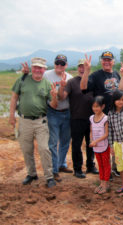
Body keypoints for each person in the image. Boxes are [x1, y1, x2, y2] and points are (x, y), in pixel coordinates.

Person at [9, 57, 58, 188]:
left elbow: (53, 105)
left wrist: (54, 97)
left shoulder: (47, 84)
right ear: (32, 68)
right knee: (26, 149)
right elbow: (14, 98)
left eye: (40, 68)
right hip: (24, 120)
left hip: (40, 121)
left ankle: (49, 176)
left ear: (44, 69)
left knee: (44, 148)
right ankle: (31, 174)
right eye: (35, 67)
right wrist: (11, 116)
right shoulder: (23, 80)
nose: (37, 70)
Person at [80, 52, 123, 177]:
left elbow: (121, 92)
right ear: (101, 61)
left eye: (109, 60)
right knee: (103, 142)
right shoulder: (95, 75)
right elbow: (83, 88)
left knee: (115, 142)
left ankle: (115, 168)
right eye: (104, 60)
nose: (107, 62)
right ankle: (106, 169)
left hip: (115, 114)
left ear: (113, 61)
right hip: (101, 116)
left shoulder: (116, 74)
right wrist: (86, 71)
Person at [58, 59, 98, 178]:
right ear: (77, 68)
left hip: (92, 119)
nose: (82, 69)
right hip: (76, 118)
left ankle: (90, 166)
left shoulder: (92, 81)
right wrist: (61, 87)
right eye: (80, 66)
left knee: (91, 144)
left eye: (84, 67)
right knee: (76, 145)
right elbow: (62, 97)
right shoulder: (71, 82)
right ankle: (78, 169)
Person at [44, 54, 73, 182]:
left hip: (67, 112)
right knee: (53, 142)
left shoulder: (70, 78)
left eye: (62, 64)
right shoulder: (46, 75)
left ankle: (62, 164)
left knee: (65, 141)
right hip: (52, 112)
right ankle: (54, 170)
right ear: (54, 64)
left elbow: (67, 97)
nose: (59, 66)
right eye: (57, 63)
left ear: (66, 65)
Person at [89, 96, 110, 194]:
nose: (95, 108)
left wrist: (96, 141)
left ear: (103, 106)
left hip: (104, 146)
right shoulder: (91, 118)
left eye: (97, 106)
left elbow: (106, 134)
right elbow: (91, 131)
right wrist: (91, 140)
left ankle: (106, 184)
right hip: (96, 146)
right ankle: (101, 184)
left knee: (106, 165)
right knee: (100, 165)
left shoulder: (105, 118)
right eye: (93, 106)